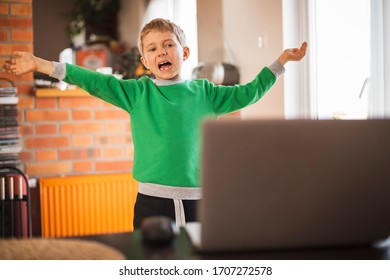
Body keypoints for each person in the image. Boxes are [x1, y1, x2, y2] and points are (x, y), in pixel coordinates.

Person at [2, 18, 307, 228]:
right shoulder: (137, 92)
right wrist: (41, 64)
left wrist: (280, 63)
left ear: (184, 52)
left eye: (168, 45)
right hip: (151, 201)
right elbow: (92, 80)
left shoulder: (206, 92)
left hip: (201, 201)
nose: (161, 51)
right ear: (145, 62)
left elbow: (249, 92)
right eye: (152, 48)